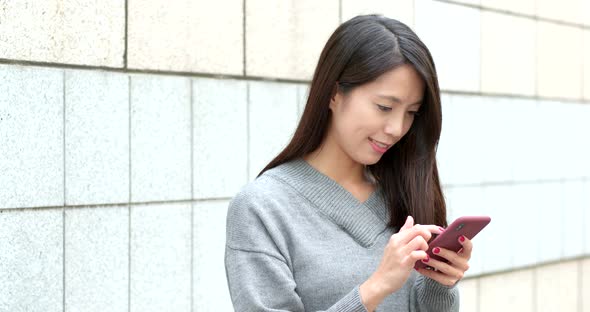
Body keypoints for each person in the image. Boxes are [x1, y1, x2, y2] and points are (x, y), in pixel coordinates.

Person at [225, 14, 471, 311]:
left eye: (411, 113)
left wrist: (440, 284)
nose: (396, 127)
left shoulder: (405, 192)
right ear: (333, 93)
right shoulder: (263, 207)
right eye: (384, 107)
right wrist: (376, 287)